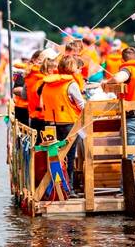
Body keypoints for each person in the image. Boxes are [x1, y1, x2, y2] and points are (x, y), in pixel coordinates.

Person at [39, 55, 85, 193]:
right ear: (72, 68)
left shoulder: (47, 83)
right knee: (69, 157)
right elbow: (81, 104)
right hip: (68, 123)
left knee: (53, 156)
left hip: (50, 124)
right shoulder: (71, 84)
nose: (78, 70)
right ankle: (67, 188)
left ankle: (53, 187)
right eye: (77, 67)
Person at [105, 47, 135, 169]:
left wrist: (106, 83)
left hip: (134, 116)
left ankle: (126, 187)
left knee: (129, 155)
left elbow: (117, 78)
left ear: (122, 60)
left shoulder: (128, 69)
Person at [26, 50, 58, 135]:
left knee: (37, 145)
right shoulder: (45, 81)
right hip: (44, 119)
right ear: (50, 67)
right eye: (55, 67)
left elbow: (24, 94)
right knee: (46, 146)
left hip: (34, 116)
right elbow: (42, 103)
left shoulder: (34, 76)